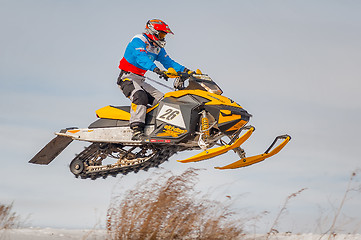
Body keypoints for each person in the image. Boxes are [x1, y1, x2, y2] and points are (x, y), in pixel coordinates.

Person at [117, 19, 190, 140]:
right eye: (161, 34)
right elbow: (141, 57)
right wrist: (155, 69)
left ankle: (159, 129)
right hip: (127, 78)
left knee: (165, 101)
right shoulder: (139, 40)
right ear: (153, 32)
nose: (163, 38)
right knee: (139, 95)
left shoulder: (157, 48)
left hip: (140, 80)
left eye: (164, 35)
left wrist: (187, 71)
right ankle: (136, 130)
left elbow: (169, 62)